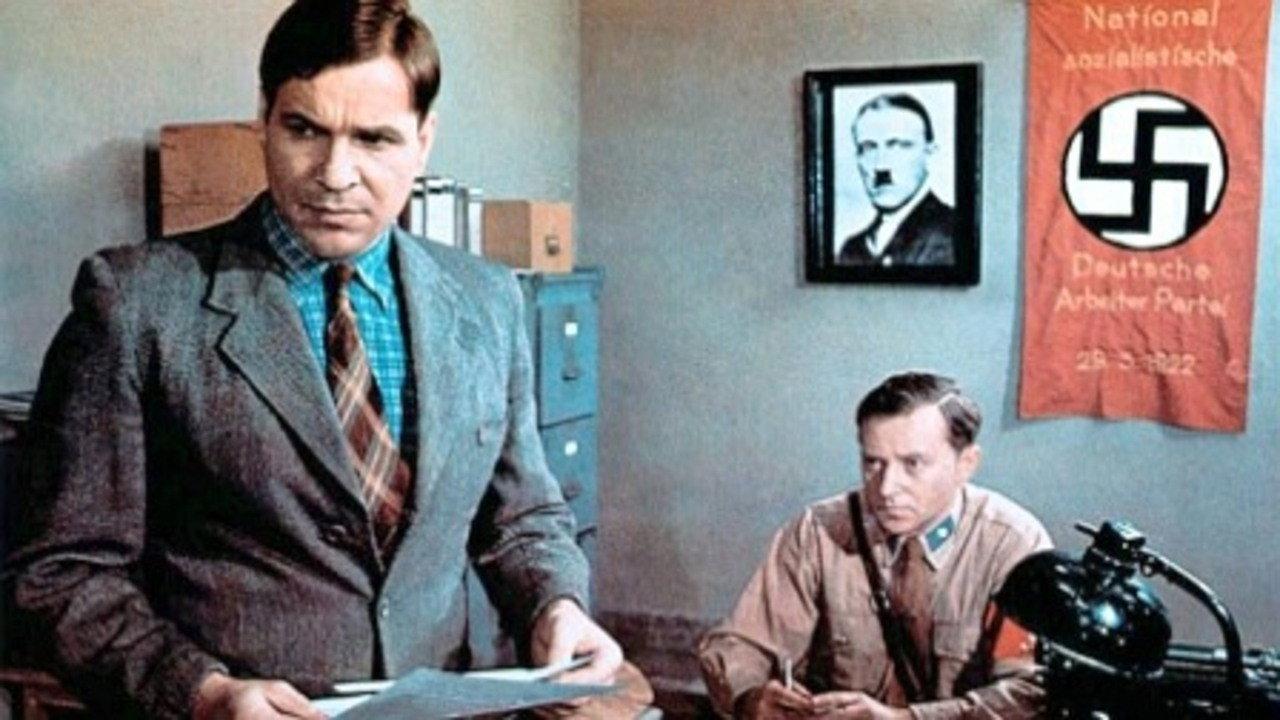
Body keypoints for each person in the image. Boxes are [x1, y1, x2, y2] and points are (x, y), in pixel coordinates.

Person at [5, 2, 649, 718]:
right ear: (263, 120)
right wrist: (201, 692)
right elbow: (62, 574)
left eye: (375, 139)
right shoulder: (136, 303)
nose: (336, 174)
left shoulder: (488, 301)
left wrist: (556, 605)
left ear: (424, 142)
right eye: (305, 129)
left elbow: (522, 518)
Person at [698, 371, 1051, 719]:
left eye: (913, 464)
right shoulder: (818, 532)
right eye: (873, 463)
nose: (886, 488)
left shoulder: (1014, 548)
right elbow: (739, 644)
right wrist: (749, 697)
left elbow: (1029, 692)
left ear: (966, 464)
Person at [837, 95, 956, 267]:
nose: (881, 166)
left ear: (929, 154)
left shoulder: (953, 233)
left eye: (897, 146)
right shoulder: (852, 249)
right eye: (868, 147)